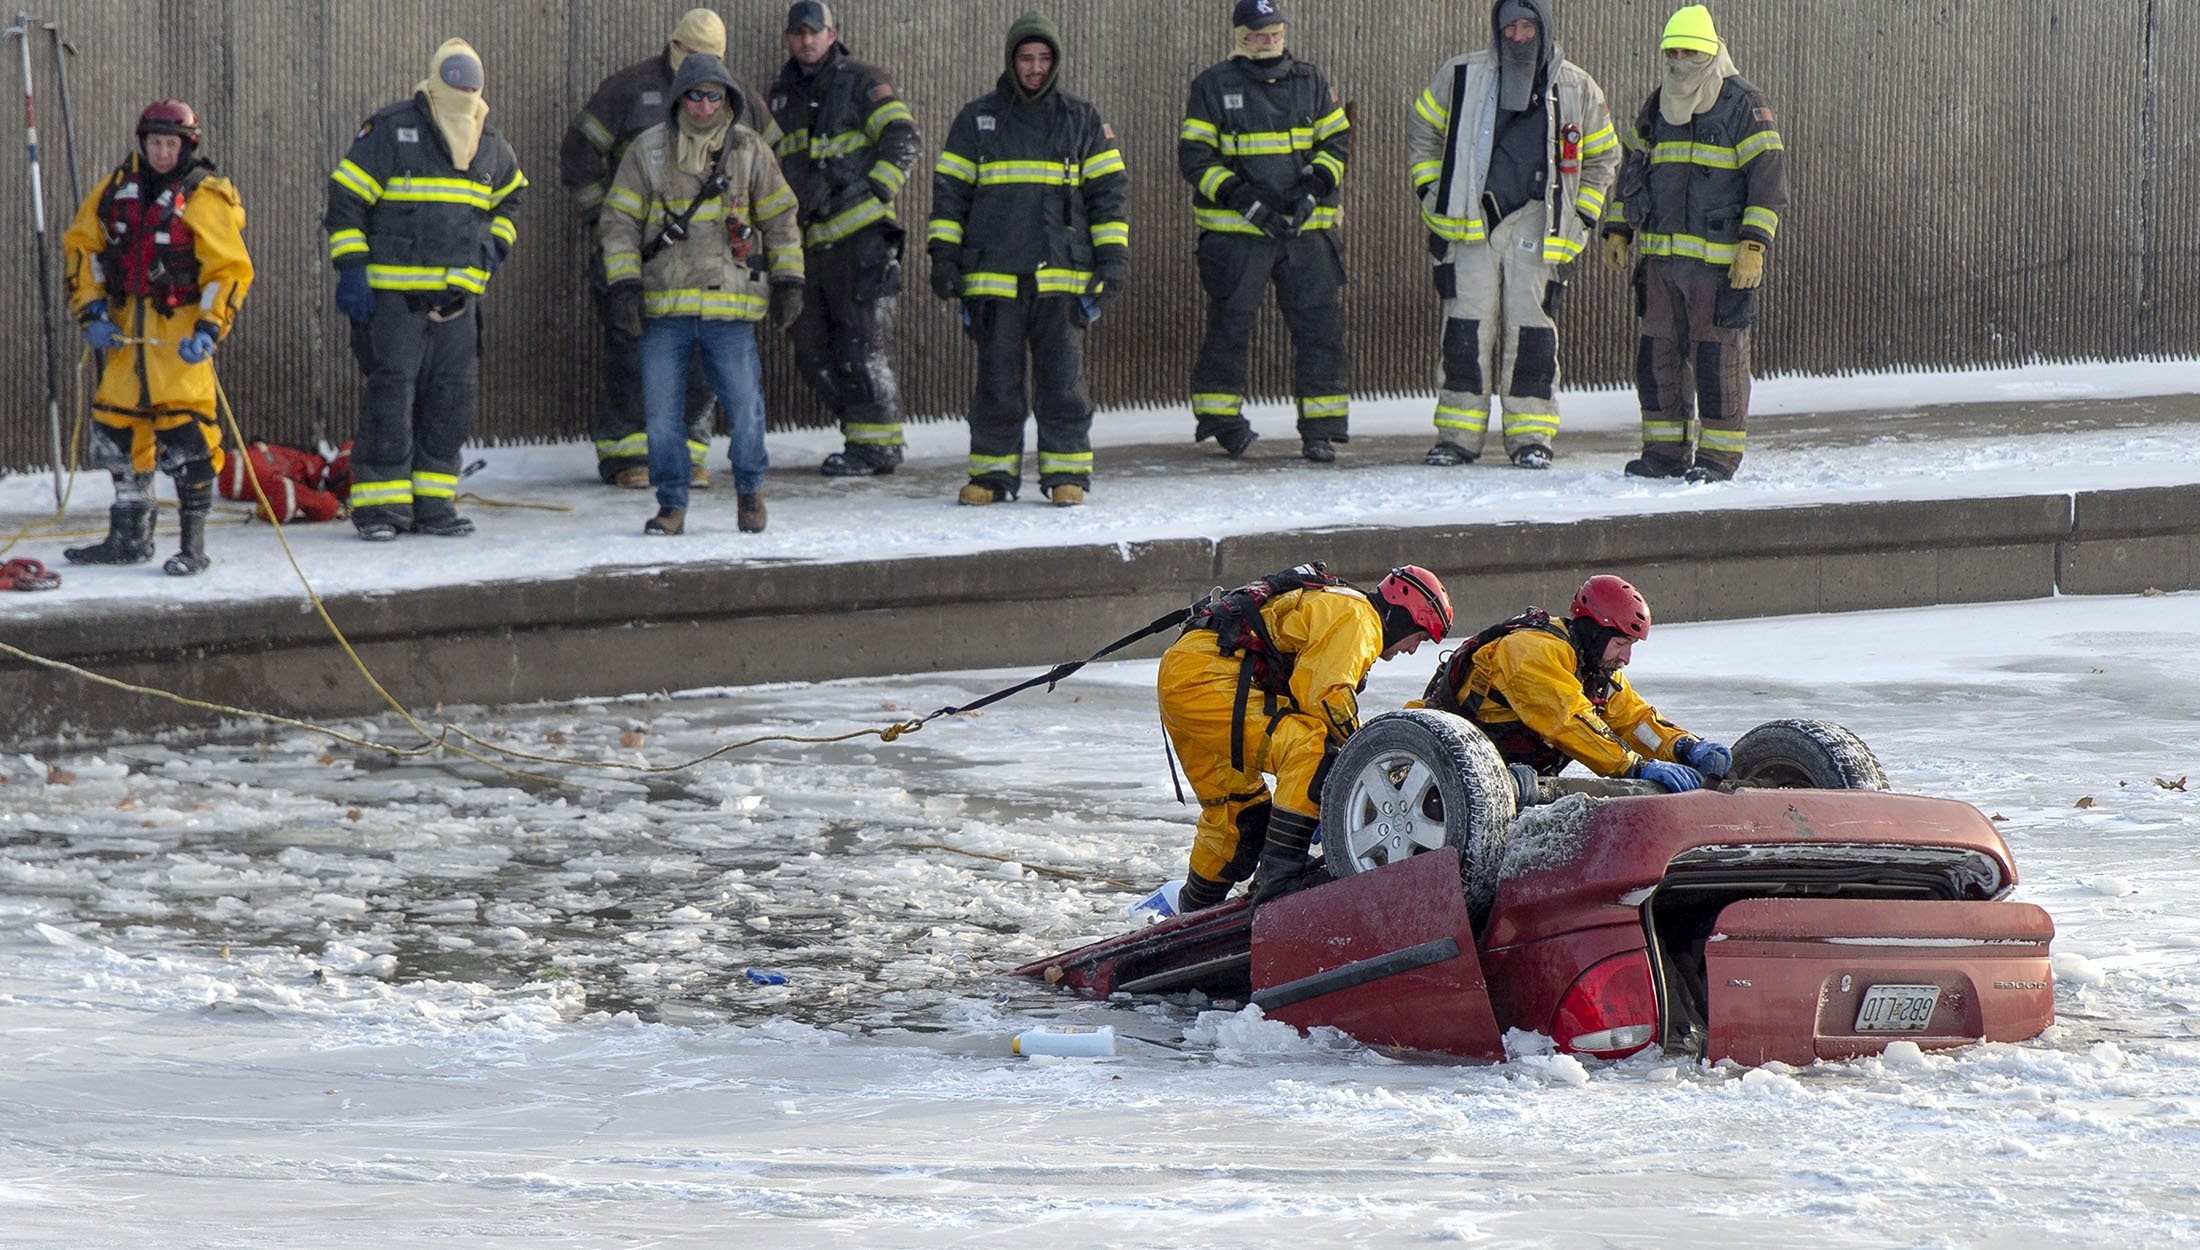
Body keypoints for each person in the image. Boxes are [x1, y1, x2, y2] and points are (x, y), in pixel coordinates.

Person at [561, 8, 782, 490]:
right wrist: (603, 218)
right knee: (629, 347)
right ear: (672, 46)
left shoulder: (737, 95)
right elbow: (579, 153)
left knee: (702, 363)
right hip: (640, 256)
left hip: (711, 263)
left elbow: (772, 161)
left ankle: (691, 453)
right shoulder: (628, 88)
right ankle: (624, 455)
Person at [1159, 564, 1454, 911]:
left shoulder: (1341, 606)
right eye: (1419, 637)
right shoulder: (1359, 618)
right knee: (1310, 749)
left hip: (1185, 675)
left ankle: (1191, 914)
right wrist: (1362, 756)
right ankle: (1277, 894)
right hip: (1210, 678)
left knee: (1238, 815)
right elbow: (1324, 696)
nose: (1412, 650)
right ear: (1408, 617)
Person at [325, 38, 526, 542]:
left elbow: (512, 199)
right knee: (391, 397)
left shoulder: (492, 143)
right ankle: (379, 509)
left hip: (457, 307)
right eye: (454, 80)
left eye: (470, 82)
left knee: (450, 401)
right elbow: (346, 200)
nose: (463, 90)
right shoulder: (392, 130)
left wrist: (491, 250)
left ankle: (435, 503)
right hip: (395, 303)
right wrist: (352, 269)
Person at [926, 10, 1127, 507]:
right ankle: (992, 474)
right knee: (996, 382)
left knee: (1063, 382)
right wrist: (944, 258)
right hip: (994, 281)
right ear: (1011, 61)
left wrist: (1112, 261)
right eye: (1026, 58)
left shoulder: (1081, 120)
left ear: (1055, 62)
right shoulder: (977, 120)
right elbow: (950, 196)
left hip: (1062, 279)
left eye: (1043, 59)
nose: (1034, 68)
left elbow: (1109, 198)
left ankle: (1066, 474)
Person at [599, 53, 805, 536]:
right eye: (696, 94)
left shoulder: (750, 150)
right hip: (665, 306)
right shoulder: (648, 151)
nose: (705, 106)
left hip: (730, 310)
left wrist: (790, 279)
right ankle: (671, 505)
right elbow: (619, 223)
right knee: (662, 416)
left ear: (728, 99)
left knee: (746, 409)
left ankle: (750, 492)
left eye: (715, 96)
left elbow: (781, 219)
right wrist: (624, 284)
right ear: (679, 98)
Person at [1409, 0, 1618, 471]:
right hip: (1470, 224)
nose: (1519, 35)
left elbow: (1604, 160)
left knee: (1533, 335)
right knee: (1464, 331)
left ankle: (1531, 437)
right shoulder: (1461, 74)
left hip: (1538, 225)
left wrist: (1580, 218)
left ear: (1544, 27)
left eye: (1528, 26)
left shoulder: (1577, 86)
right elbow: (1423, 132)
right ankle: (1457, 438)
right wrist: (1431, 193)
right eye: (1510, 26)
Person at [61, 100, 253, 576]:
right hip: (127, 335)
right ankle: (129, 536)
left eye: (171, 144)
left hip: (178, 337)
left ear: (187, 146)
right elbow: (83, 248)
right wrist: (91, 312)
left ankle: (193, 545)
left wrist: (210, 327)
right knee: (117, 430)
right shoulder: (113, 190)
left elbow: (228, 271)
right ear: (142, 142)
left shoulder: (206, 197)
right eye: (154, 143)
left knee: (187, 438)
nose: (162, 153)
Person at [1601, 4, 1788, 483]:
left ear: (1711, 52)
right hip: (1662, 266)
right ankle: (1663, 454)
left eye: (1689, 51)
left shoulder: (1742, 104)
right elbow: (1633, 171)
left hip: (1719, 267)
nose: (1679, 59)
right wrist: (1619, 227)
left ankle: (1717, 458)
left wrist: (1754, 245)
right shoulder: (1657, 103)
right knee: (1657, 360)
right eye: (1672, 51)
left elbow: (1768, 178)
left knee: (1716, 360)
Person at [1178, 0, 1353, 463]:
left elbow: (1336, 141)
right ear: (1240, 36)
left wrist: (1315, 187)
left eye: (1275, 31)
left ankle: (1322, 429)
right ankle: (1222, 422)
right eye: (1258, 33)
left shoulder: (1311, 81)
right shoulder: (1213, 86)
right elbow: (1195, 157)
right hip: (1237, 233)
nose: (1269, 40)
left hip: (1306, 232)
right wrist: (1242, 198)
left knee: (1319, 328)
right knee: (1230, 328)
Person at [767, 1, 921, 478]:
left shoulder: (862, 81)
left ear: (833, 35)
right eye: (799, 33)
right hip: (809, 247)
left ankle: (876, 447)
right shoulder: (780, 96)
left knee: (861, 349)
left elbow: (903, 138)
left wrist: (868, 190)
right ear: (788, 39)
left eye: (816, 32)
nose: (807, 41)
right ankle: (865, 432)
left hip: (861, 243)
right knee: (811, 350)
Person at [1423, 573, 1728, 791]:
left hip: (1502, 769)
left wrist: (1684, 747)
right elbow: (1567, 719)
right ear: (1597, 632)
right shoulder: (1532, 651)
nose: (1627, 657)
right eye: (1621, 643)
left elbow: (1633, 721)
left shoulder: (1596, 669)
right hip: (1438, 764)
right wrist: (1633, 766)